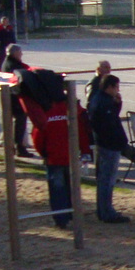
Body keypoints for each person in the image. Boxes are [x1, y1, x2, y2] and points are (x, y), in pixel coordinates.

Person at [32, 98, 91, 229]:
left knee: (57, 190)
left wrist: (44, 153)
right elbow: (81, 133)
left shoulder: (46, 112)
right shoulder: (71, 112)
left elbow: (37, 136)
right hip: (70, 156)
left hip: (54, 158)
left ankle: (60, 218)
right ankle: (70, 213)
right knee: (70, 187)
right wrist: (85, 151)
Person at [88, 75, 135, 223]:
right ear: (109, 87)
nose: (118, 90)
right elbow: (109, 125)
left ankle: (103, 210)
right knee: (107, 180)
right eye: (116, 87)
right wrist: (119, 143)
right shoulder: (102, 102)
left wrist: (117, 104)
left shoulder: (100, 99)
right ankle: (106, 212)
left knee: (105, 179)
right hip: (108, 145)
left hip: (105, 144)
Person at [2, 44, 35, 157]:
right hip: (15, 97)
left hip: (10, 96)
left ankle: (17, 146)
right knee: (20, 123)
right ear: (15, 53)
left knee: (17, 123)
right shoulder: (13, 65)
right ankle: (19, 147)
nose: (21, 54)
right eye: (20, 52)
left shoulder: (7, 63)